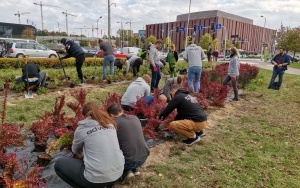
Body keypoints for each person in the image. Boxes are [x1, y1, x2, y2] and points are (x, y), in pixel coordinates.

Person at [54, 102, 124, 188]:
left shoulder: (83, 128)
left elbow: (75, 150)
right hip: (118, 173)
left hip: (96, 178)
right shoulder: (109, 124)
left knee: (58, 164)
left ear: (85, 116)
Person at [106, 103, 150, 184]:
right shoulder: (135, 117)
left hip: (128, 162)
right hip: (143, 158)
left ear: (112, 115)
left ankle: (127, 171)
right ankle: (135, 169)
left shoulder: (113, 124)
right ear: (121, 111)